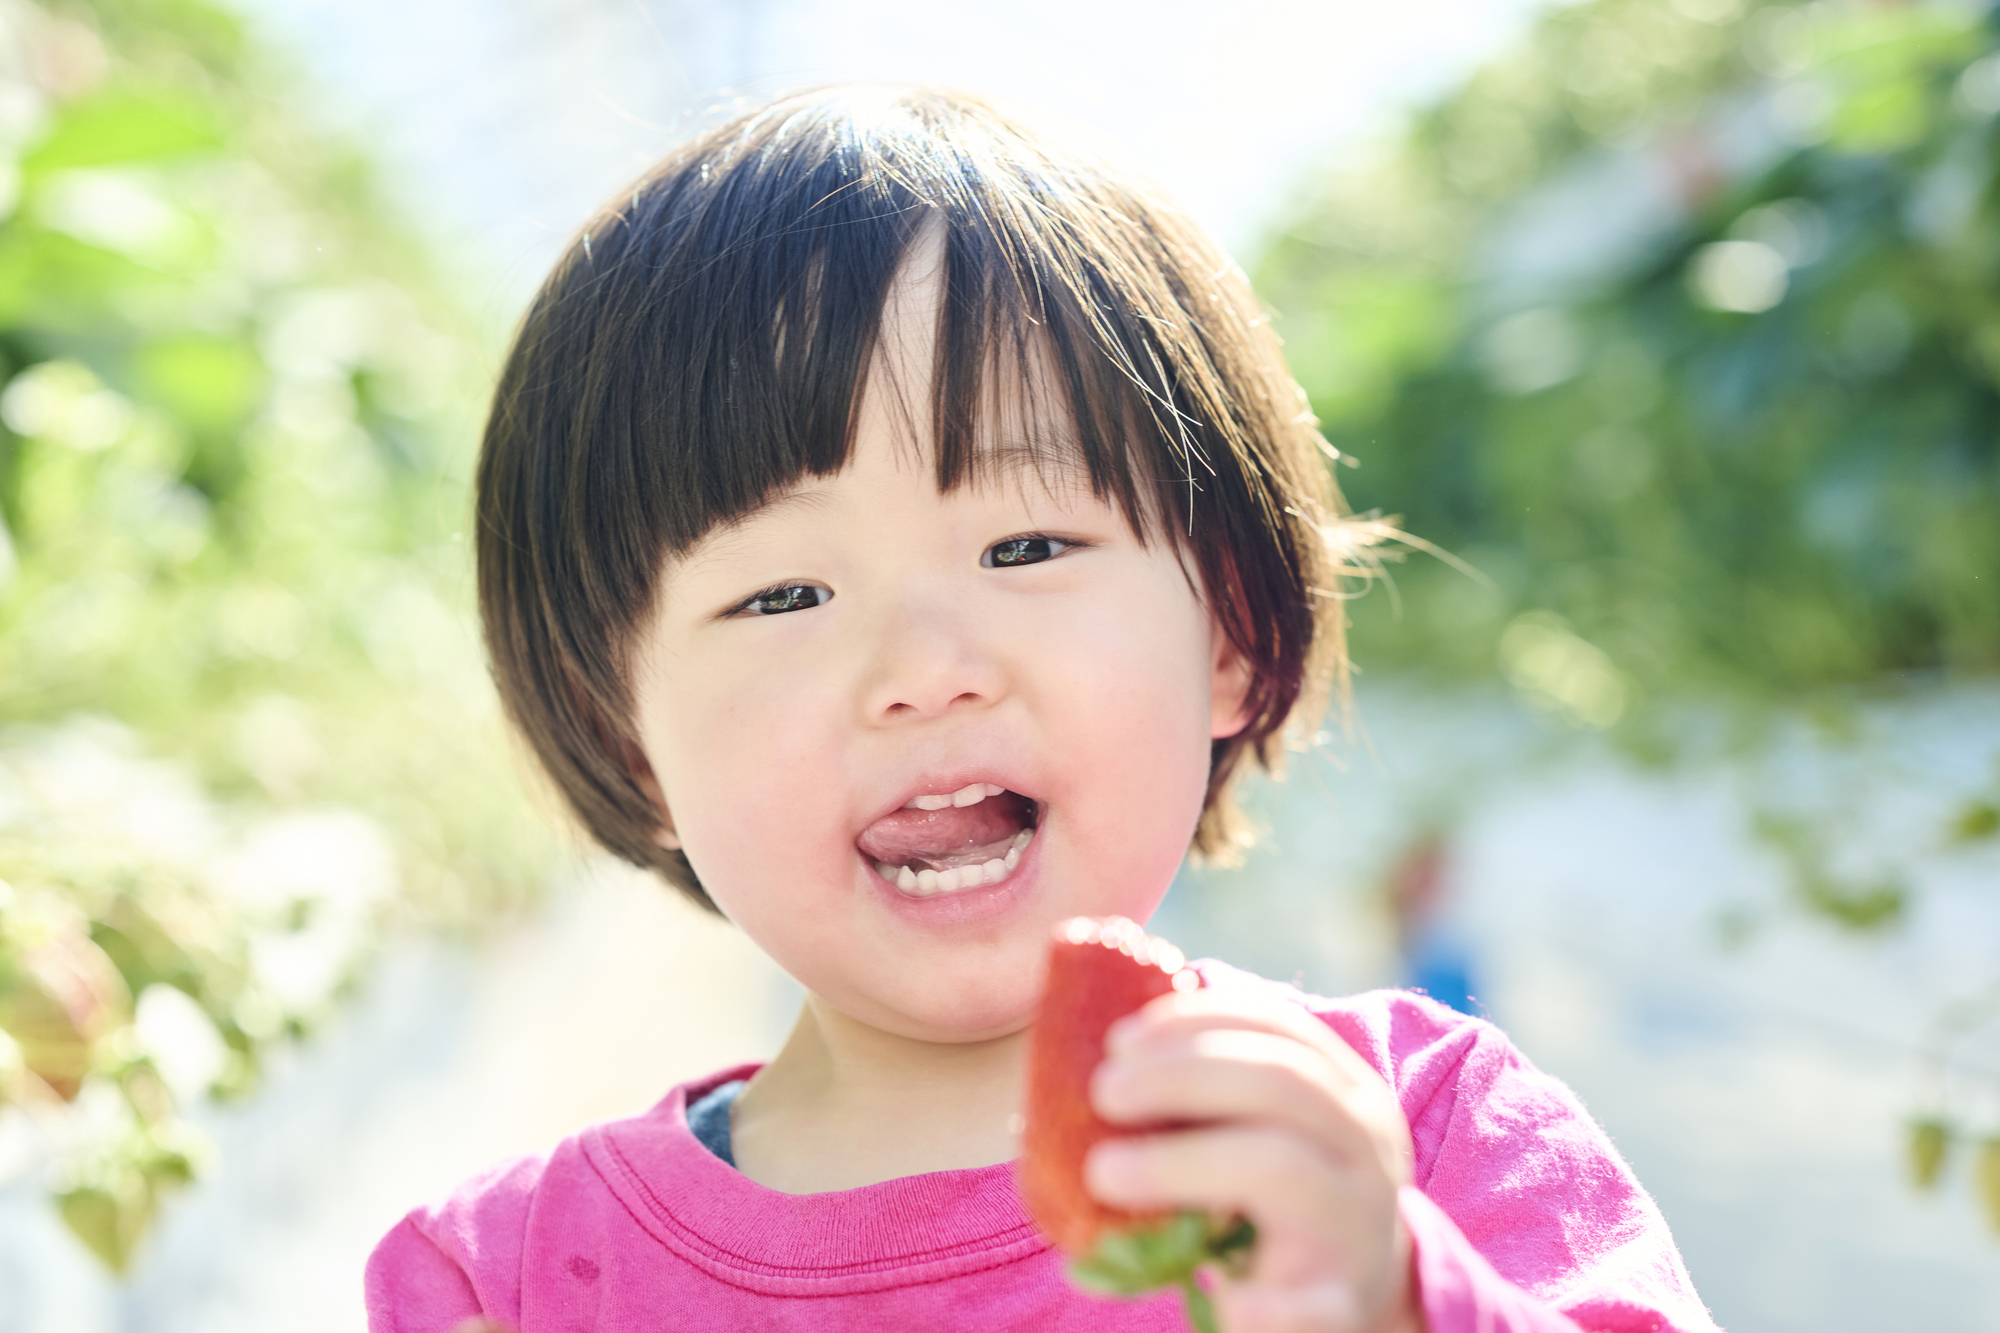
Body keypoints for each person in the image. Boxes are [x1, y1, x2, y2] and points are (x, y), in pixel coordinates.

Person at [365, 86, 1717, 1333]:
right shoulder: (516, 1278)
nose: (925, 663)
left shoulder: (1412, 1131)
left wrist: (1391, 1297)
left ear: (1234, 633)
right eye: (783, 594)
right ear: (626, 740)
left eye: (1025, 549)